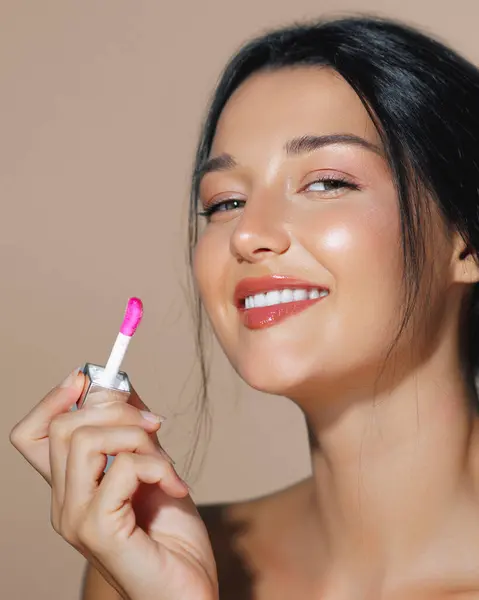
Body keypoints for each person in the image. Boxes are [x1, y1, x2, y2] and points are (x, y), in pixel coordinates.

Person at [10, 13, 479, 600]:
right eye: (225, 201)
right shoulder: (147, 559)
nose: (247, 233)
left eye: (327, 182)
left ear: (466, 244)